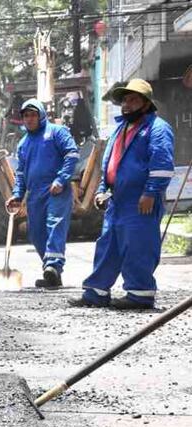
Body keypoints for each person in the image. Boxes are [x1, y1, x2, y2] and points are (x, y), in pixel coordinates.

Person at [71, 79, 175, 310]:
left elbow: (162, 165)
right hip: (117, 200)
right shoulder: (121, 129)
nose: (127, 105)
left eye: (133, 100)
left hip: (141, 200)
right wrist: (102, 190)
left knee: (138, 245)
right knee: (108, 246)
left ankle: (140, 294)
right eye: (125, 100)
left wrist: (151, 192)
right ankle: (96, 292)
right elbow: (109, 164)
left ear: (146, 103)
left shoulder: (157, 129)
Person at [5, 99, 80, 288]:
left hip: (56, 190)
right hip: (35, 194)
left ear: (41, 115)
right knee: (36, 232)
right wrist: (17, 195)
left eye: (33, 115)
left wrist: (61, 179)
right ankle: (52, 273)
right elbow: (21, 173)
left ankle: (53, 266)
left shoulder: (56, 132)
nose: (29, 119)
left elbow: (72, 155)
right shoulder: (23, 144)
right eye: (26, 116)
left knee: (54, 225)